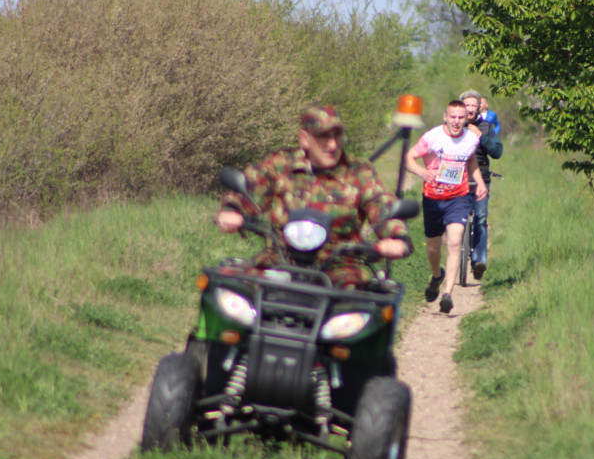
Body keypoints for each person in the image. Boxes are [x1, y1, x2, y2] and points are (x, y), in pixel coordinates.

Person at [214, 106, 412, 287]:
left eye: (337, 137)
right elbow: (252, 189)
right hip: (279, 259)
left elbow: (381, 202)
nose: (333, 145)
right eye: (324, 137)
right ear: (305, 139)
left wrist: (396, 237)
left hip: (341, 267)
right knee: (230, 290)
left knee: (356, 303)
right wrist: (233, 211)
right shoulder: (282, 164)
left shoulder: (358, 172)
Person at [405, 100, 488, 314]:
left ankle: (447, 294)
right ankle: (436, 276)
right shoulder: (432, 137)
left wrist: (479, 182)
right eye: (453, 117)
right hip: (433, 198)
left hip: (458, 198)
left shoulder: (471, 139)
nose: (457, 121)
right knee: (433, 248)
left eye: (461, 117)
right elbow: (409, 158)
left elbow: (471, 161)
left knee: (454, 241)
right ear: (445, 117)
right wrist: (422, 173)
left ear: (465, 119)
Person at [459, 90, 503, 280]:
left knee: (480, 219)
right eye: (466, 105)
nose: (469, 109)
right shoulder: (453, 125)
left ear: (479, 108)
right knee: (455, 221)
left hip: (480, 180)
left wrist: (481, 137)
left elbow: (497, 152)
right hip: (457, 180)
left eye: (473, 105)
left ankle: (479, 261)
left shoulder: (485, 126)